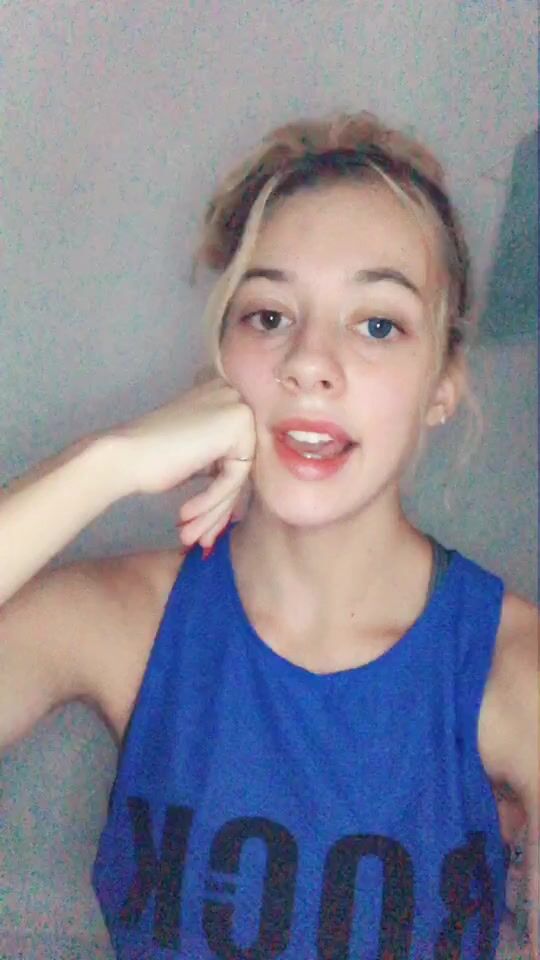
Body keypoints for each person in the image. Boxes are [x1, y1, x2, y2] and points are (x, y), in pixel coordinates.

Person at [0, 111, 537, 959]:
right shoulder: (126, 622)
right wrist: (106, 464)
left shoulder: (516, 672)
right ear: (221, 361)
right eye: (269, 316)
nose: (309, 363)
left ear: (442, 384)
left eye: (378, 324)